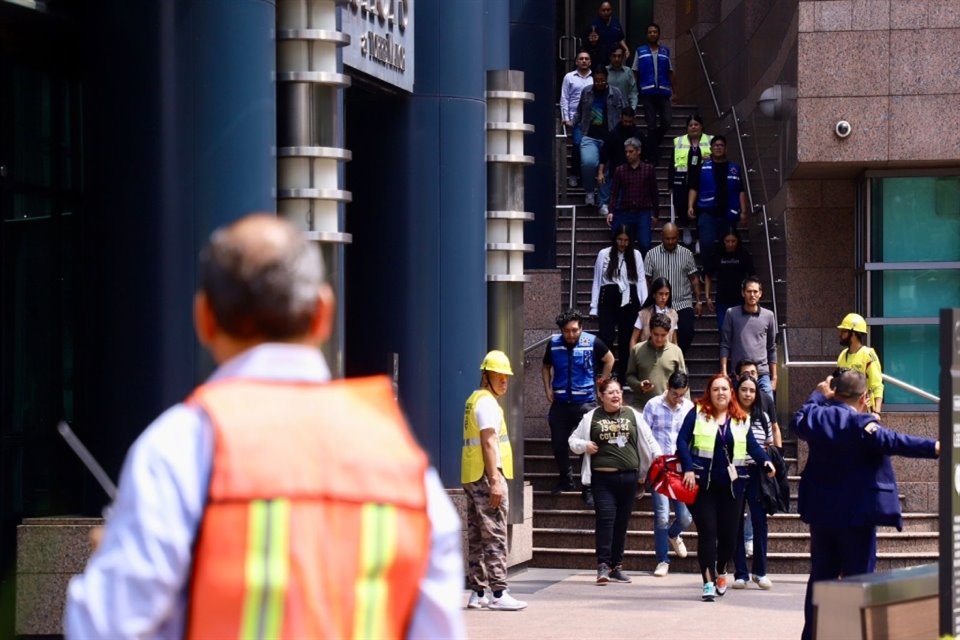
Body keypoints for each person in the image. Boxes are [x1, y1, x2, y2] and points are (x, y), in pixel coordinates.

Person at [64, 214, 465, 638]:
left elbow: (102, 628)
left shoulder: (179, 448)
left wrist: (110, 559)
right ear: (323, 313)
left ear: (204, 318)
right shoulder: (401, 459)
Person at [791, 370, 939, 640]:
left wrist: (818, 394)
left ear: (834, 392)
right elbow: (895, 441)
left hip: (822, 517)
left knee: (820, 578)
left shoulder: (816, 416)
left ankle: (813, 634)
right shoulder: (861, 425)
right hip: (856, 518)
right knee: (858, 580)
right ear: (864, 397)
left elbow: (798, 419)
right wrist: (936, 447)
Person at [676, 373, 774, 602]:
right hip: (702, 485)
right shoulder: (698, 413)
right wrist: (688, 468)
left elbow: (751, 445)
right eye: (716, 389)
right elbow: (682, 441)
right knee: (707, 533)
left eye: (725, 389)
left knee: (729, 538)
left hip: (733, 487)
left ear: (731, 393)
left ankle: (721, 570)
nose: (720, 392)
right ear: (709, 392)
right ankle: (708, 582)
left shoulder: (741, 418)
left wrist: (765, 461)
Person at [568, 378, 660, 584]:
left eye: (618, 392)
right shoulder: (591, 417)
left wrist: (659, 462)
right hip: (602, 478)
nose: (616, 396)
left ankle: (616, 566)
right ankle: (602, 565)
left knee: (622, 523)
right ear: (601, 396)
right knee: (606, 520)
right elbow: (572, 441)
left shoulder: (633, 415)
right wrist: (584, 445)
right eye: (610, 392)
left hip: (629, 478)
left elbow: (650, 440)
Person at [462, 351, 527, 611]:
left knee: (477, 535)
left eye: (506, 376)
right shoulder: (487, 402)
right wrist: (495, 481)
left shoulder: (473, 400)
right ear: (486, 375)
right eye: (499, 376)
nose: (504, 381)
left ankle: (478, 593)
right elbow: (488, 441)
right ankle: (499, 593)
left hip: (472, 474)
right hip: (487, 475)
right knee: (495, 533)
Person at [542, 309, 615, 507]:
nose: (571, 334)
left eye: (575, 330)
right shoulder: (554, 344)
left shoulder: (591, 342)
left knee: (588, 446)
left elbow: (610, 359)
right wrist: (547, 388)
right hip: (560, 402)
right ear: (561, 330)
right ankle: (566, 479)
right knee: (558, 443)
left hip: (585, 402)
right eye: (567, 331)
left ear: (581, 328)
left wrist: (603, 380)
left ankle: (588, 488)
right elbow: (545, 366)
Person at [730, 375, 781, 590]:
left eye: (752, 390)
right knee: (735, 524)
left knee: (760, 521)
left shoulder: (763, 418)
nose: (748, 394)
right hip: (735, 474)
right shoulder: (729, 416)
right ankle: (740, 572)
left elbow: (766, 444)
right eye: (744, 390)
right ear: (737, 391)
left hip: (758, 475)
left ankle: (760, 572)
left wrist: (769, 461)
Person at [643, 372, 694, 577]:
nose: (678, 399)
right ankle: (662, 560)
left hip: (680, 468)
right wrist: (644, 468)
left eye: (682, 394)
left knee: (685, 517)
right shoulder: (653, 405)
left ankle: (674, 535)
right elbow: (645, 437)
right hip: (659, 467)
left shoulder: (689, 408)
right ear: (667, 387)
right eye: (674, 394)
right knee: (662, 516)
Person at [589, 225, 646, 383]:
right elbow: (597, 280)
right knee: (606, 336)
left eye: (626, 240)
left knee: (626, 338)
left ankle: (623, 376)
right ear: (615, 239)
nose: (622, 243)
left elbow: (640, 280)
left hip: (629, 299)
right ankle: (607, 370)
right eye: (620, 240)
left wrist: (644, 303)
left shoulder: (636, 255)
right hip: (608, 298)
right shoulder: (604, 254)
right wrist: (594, 306)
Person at [643, 223, 703, 353]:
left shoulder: (686, 254)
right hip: (660, 303)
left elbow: (694, 278)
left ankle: (678, 358)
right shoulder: (651, 255)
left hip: (682, 302)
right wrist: (648, 300)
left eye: (674, 238)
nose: (670, 241)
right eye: (667, 238)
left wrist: (698, 300)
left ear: (678, 237)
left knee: (687, 332)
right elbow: (646, 279)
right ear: (662, 237)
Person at [687, 135, 748, 262]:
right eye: (715, 145)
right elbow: (694, 188)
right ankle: (707, 272)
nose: (718, 148)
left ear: (726, 149)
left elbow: (740, 190)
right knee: (706, 243)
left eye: (721, 145)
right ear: (711, 149)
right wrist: (690, 206)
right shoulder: (702, 167)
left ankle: (724, 272)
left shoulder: (734, 169)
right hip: (707, 212)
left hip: (728, 213)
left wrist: (743, 211)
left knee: (728, 246)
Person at [576, 66, 626, 208]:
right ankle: (590, 191)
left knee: (607, 170)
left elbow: (623, 111)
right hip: (589, 135)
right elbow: (580, 111)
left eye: (602, 80)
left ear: (606, 79)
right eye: (596, 80)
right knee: (588, 163)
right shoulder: (586, 92)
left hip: (609, 136)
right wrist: (572, 122)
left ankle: (603, 202)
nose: (599, 83)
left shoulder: (615, 93)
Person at [720, 276, 778, 397]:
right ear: (743, 293)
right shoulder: (731, 313)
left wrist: (774, 377)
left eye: (755, 291)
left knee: (767, 409)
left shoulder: (769, 316)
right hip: (738, 373)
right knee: (737, 412)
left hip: (762, 374)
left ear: (760, 293)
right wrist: (724, 371)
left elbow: (772, 347)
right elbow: (725, 344)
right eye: (749, 291)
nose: (752, 295)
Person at [606, 137, 659, 254]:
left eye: (631, 151)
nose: (628, 155)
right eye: (626, 152)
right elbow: (614, 192)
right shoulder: (620, 170)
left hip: (643, 211)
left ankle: (645, 271)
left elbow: (654, 192)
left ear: (638, 151)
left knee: (645, 244)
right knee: (622, 243)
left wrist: (656, 213)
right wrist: (611, 211)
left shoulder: (648, 170)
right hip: (626, 211)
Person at [632, 23, 674, 163]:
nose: (653, 34)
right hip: (647, 92)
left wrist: (676, 90)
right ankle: (654, 155)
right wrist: (634, 91)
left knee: (667, 121)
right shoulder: (640, 50)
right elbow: (635, 72)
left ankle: (651, 146)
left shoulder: (665, 51)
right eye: (650, 32)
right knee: (650, 124)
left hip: (663, 91)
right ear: (647, 34)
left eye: (655, 32)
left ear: (659, 34)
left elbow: (670, 72)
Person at [625, 313, 686, 408]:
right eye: (656, 334)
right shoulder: (637, 349)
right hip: (642, 407)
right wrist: (639, 385)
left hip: (668, 407)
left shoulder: (676, 351)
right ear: (650, 331)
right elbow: (630, 376)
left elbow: (683, 381)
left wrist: (686, 406)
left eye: (663, 335)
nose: (659, 339)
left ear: (668, 333)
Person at [670, 115, 712, 248]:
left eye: (696, 124)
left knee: (701, 207)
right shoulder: (679, 141)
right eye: (691, 125)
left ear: (701, 126)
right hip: (682, 180)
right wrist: (670, 183)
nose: (693, 127)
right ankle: (686, 227)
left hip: (703, 180)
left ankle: (699, 237)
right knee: (681, 205)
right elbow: (672, 163)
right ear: (687, 128)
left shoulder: (710, 140)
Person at [704, 226, 755, 331]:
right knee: (724, 329)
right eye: (727, 241)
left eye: (733, 241)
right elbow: (708, 275)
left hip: (740, 299)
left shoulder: (743, 254)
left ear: (737, 241)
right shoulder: (718, 254)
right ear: (723, 241)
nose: (730, 244)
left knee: (739, 330)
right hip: (722, 300)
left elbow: (752, 276)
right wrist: (707, 296)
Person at [597, 107, 641, 217]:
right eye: (625, 121)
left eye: (629, 122)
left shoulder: (638, 134)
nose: (627, 124)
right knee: (606, 179)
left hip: (631, 171)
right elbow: (604, 154)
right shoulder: (613, 134)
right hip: (615, 168)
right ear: (621, 118)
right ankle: (604, 204)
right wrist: (600, 172)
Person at [836, 312, 884, 413]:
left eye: (843, 331)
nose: (840, 334)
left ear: (853, 334)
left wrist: (877, 413)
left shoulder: (868, 354)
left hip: (864, 410)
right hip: (845, 410)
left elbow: (877, 385)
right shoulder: (842, 355)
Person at [560, 51, 594, 188]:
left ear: (590, 62)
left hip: (592, 118)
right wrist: (566, 118)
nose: (584, 61)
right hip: (576, 118)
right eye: (581, 59)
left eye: (587, 58)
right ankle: (574, 174)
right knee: (577, 145)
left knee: (590, 148)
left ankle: (589, 177)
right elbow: (564, 98)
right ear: (576, 62)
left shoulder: (594, 78)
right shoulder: (569, 77)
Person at [629, 276, 678, 349]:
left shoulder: (673, 314)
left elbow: (674, 341)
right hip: (646, 355)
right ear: (654, 295)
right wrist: (633, 358)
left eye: (666, 294)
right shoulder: (643, 314)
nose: (664, 297)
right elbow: (633, 339)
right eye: (660, 294)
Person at [584, 1, 629, 77]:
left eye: (608, 10)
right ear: (599, 11)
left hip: (613, 57)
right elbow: (589, 41)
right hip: (599, 57)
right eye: (603, 10)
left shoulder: (615, 22)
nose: (606, 12)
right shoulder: (594, 24)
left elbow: (620, 38)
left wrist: (626, 49)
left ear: (611, 10)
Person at [606, 44, 638, 110]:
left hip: (624, 112)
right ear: (610, 57)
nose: (616, 59)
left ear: (623, 57)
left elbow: (633, 93)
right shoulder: (605, 71)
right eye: (614, 56)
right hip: (608, 112)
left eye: (619, 56)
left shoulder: (628, 72)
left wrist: (632, 109)